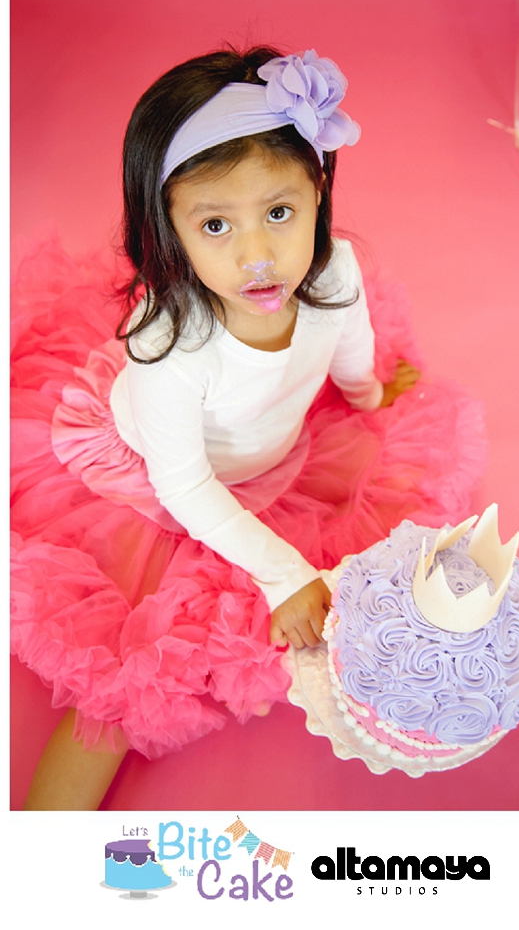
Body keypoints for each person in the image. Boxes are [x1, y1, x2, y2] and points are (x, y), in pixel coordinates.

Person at [11, 46, 487, 809]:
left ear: (317, 192)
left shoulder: (332, 270)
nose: (258, 256)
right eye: (214, 225)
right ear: (169, 229)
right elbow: (184, 485)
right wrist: (283, 575)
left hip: (271, 455)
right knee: (129, 670)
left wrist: (366, 396)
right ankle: (39, 848)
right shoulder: (170, 348)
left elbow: (348, 339)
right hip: (166, 484)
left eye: (278, 213)